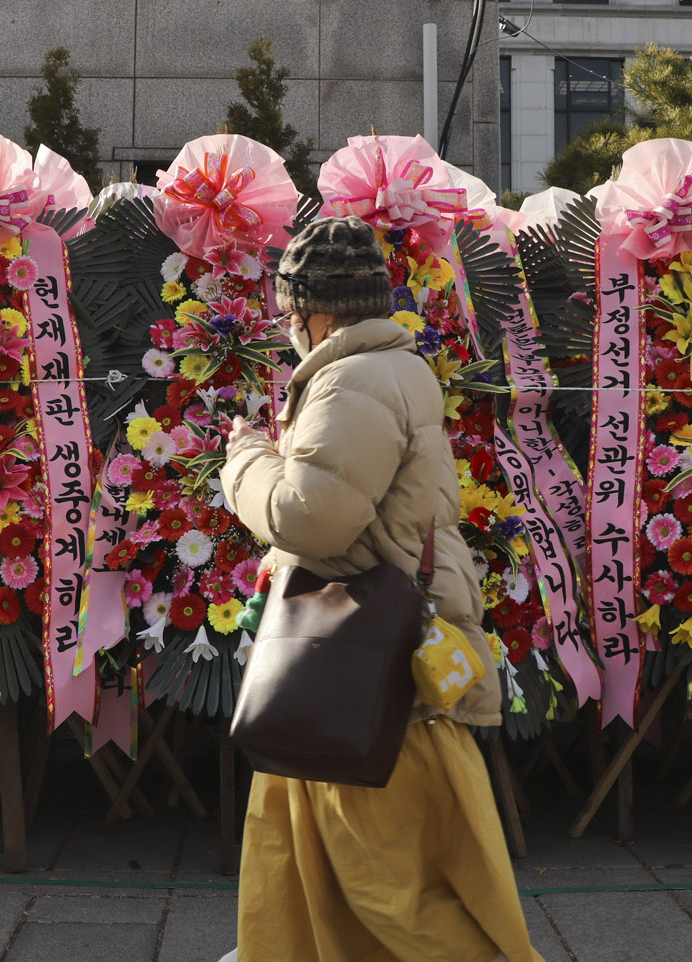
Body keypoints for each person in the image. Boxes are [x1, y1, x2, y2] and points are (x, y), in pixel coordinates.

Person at [219, 216, 545, 962]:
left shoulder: (353, 379)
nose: (287, 329)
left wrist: (244, 458)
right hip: (368, 676)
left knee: (385, 893)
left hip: (365, 686)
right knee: (351, 885)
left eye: (288, 314)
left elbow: (310, 518)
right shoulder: (389, 368)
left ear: (317, 313)